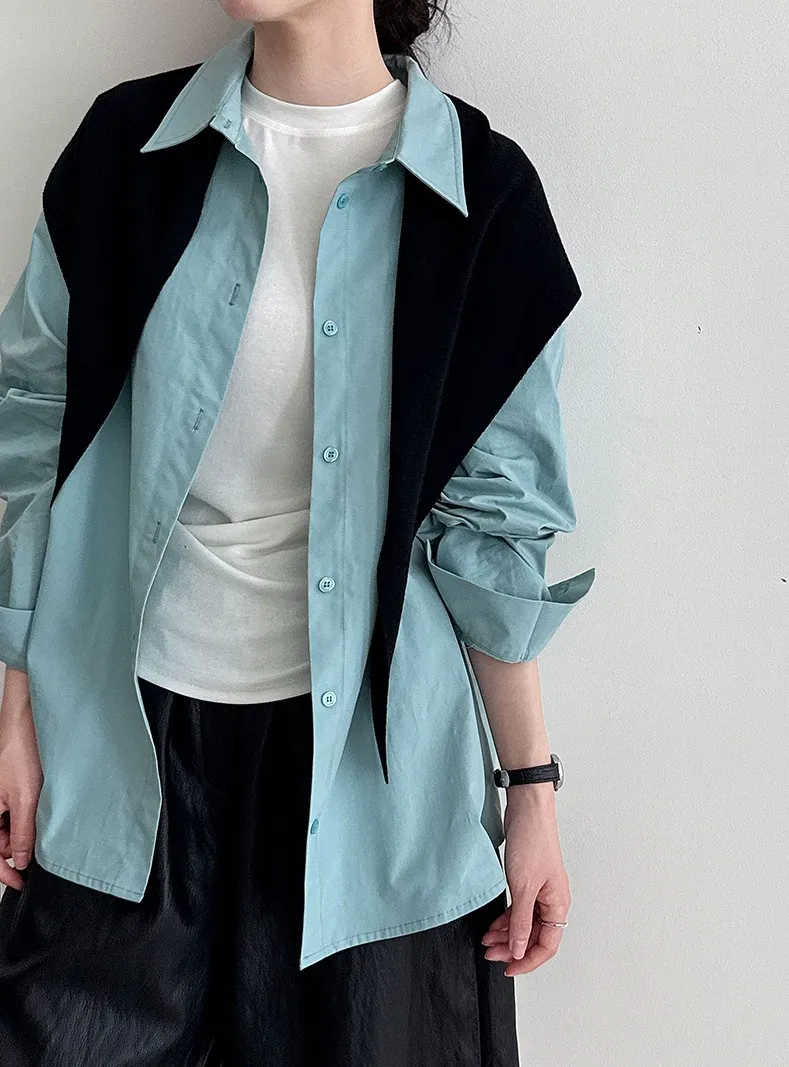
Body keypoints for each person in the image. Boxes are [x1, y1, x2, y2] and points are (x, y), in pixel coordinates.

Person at [0, 2, 595, 1064]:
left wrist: (530, 791)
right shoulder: (126, 150)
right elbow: (28, 428)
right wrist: (8, 704)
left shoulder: (482, 197)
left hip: (375, 795)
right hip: (117, 758)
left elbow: (493, 531)